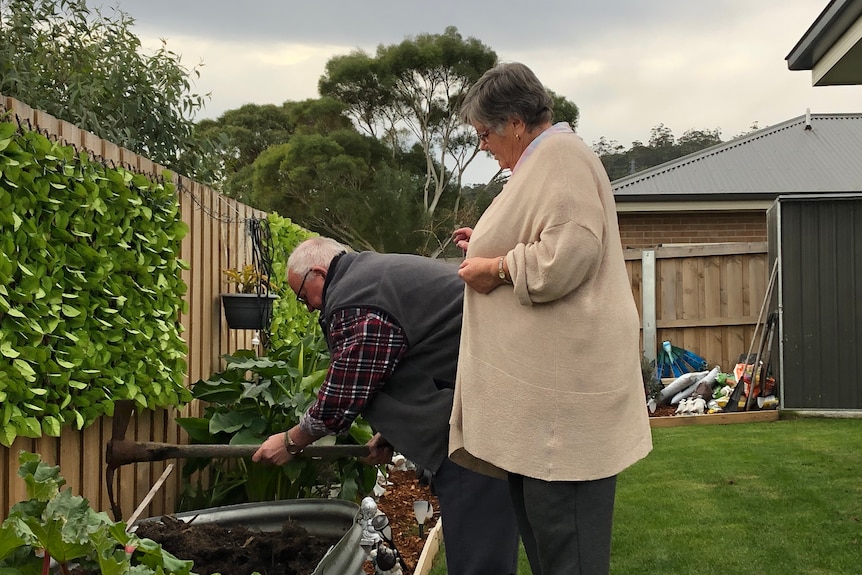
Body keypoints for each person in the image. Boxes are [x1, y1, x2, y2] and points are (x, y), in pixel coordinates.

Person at [449, 62, 653, 575]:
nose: (483, 146)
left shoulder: (560, 156)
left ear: (515, 122)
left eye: (484, 133)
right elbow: (550, 231)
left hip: (564, 416)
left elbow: (570, 252)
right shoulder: (544, 162)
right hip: (546, 413)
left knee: (569, 556)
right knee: (550, 550)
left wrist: (497, 267)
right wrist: (490, 242)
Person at [252, 236, 520, 575]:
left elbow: (344, 392)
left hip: (479, 428)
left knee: (479, 560)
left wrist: (291, 441)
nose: (307, 306)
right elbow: (412, 358)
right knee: (479, 548)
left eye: (303, 295)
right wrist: (392, 432)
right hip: (476, 412)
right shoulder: (369, 278)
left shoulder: (359, 298)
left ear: (318, 272)